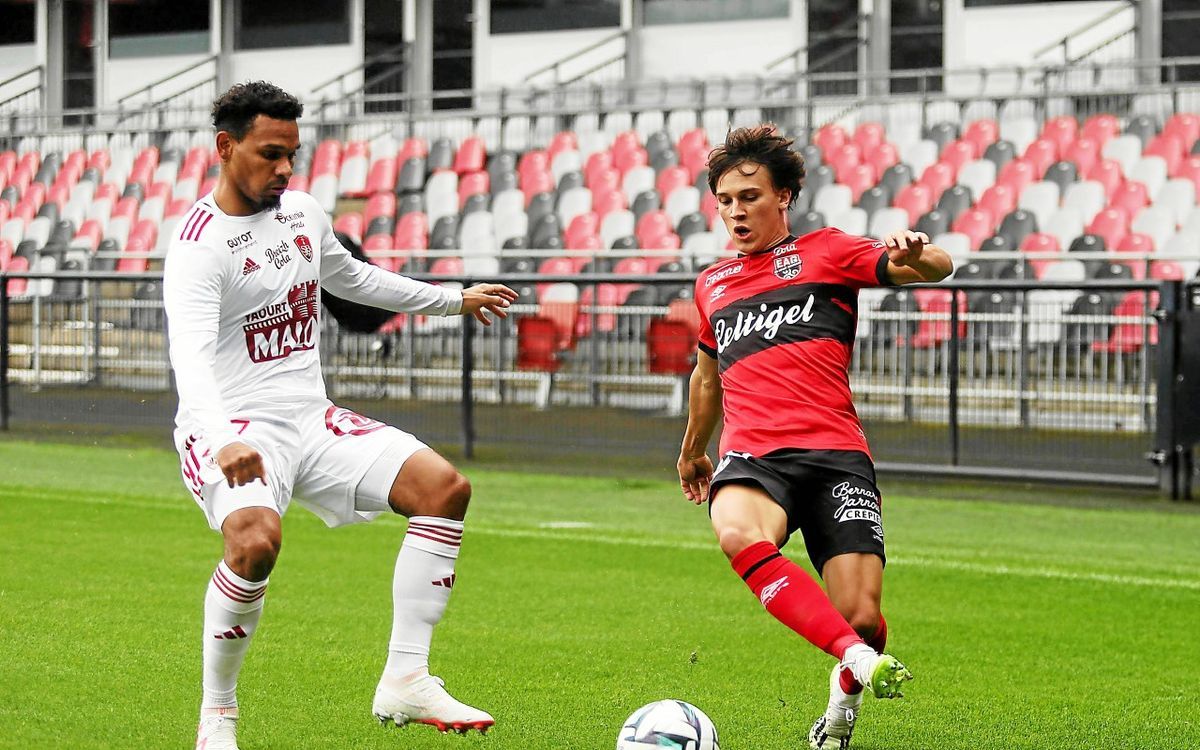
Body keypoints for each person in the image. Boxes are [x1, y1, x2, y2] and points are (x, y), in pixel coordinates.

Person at [164, 81, 517, 750]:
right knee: (254, 543)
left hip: (310, 419)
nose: (286, 170)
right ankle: (218, 717)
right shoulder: (199, 246)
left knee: (443, 488)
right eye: (270, 154)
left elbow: (353, 279)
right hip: (233, 427)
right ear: (225, 147)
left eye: (293, 155)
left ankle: (407, 678)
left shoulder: (301, 212)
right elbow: (189, 356)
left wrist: (452, 301)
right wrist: (218, 440)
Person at [675, 126, 952, 750]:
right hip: (753, 455)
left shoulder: (827, 252)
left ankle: (843, 695)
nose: (735, 210)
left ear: (785, 196)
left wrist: (916, 250)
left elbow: (936, 268)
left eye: (749, 196)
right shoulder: (712, 284)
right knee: (738, 532)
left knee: (861, 619)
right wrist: (694, 449)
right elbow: (706, 377)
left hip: (835, 456)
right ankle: (857, 659)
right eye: (724, 199)